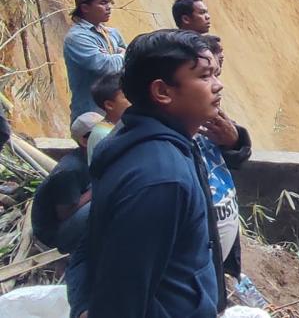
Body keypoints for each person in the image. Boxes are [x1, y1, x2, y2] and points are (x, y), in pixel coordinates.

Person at [82, 30, 224, 318]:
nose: (218, 86)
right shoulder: (160, 177)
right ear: (162, 92)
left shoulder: (156, 145)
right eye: (205, 76)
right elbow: (122, 298)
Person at [31, 112, 102, 318]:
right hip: (55, 232)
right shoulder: (70, 170)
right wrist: (96, 189)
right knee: (100, 203)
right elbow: (65, 213)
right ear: (83, 139)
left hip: (72, 220)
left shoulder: (92, 157)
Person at [198, 34, 253, 282]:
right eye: (206, 75)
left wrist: (234, 140)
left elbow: (237, 159)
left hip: (215, 266)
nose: (219, 85)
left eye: (217, 73)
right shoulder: (158, 156)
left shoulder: (209, 116)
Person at [64, 0, 127, 121]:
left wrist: (119, 56)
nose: (109, 7)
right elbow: (107, 66)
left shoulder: (112, 33)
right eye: (103, 3)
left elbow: (131, 60)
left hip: (117, 113)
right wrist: (122, 55)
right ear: (85, 8)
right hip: (91, 115)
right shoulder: (77, 38)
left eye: (109, 3)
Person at [86, 72, 130, 162]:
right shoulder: (104, 135)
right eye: (126, 96)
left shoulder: (119, 126)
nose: (133, 99)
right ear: (109, 105)